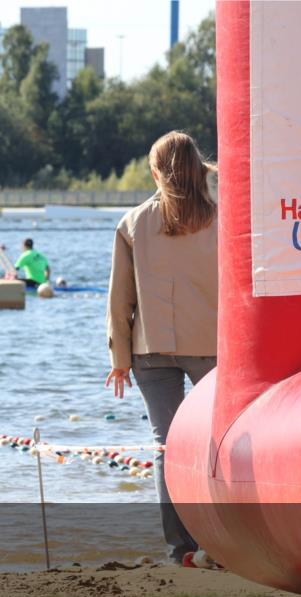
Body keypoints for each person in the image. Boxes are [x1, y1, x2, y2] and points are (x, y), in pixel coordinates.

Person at [105, 130, 219, 565]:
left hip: (149, 349)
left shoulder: (131, 223)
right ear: (199, 170)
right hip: (211, 347)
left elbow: (120, 301)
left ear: (155, 172)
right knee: (215, 446)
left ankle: (181, 550)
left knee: (166, 448)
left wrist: (118, 359)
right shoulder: (223, 221)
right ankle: (222, 543)